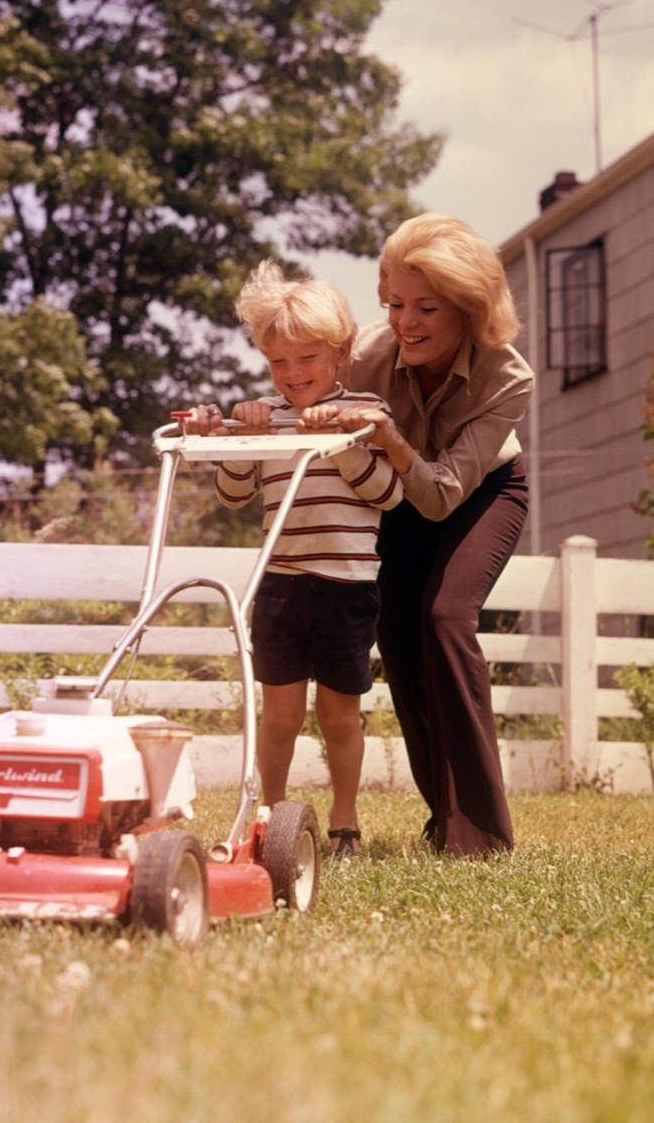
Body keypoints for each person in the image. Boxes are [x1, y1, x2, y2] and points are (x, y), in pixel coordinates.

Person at [227, 215, 533, 857]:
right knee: (396, 632)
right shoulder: (361, 353)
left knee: (444, 618)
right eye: (394, 304)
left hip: (477, 490)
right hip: (389, 491)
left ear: (469, 310)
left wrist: (392, 440)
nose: (406, 322)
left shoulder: (508, 376)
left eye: (427, 307)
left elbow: (444, 492)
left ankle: (478, 833)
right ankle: (441, 815)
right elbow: (299, 383)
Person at [185, 259, 402, 855]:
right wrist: (237, 440)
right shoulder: (266, 414)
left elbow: (389, 493)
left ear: (339, 353)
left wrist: (340, 442)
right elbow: (233, 496)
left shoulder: (364, 413)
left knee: (338, 717)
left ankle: (345, 823)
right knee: (279, 717)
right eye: (279, 361)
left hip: (347, 587)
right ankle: (270, 819)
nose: (292, 373)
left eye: (307, 358)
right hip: (281, 585)